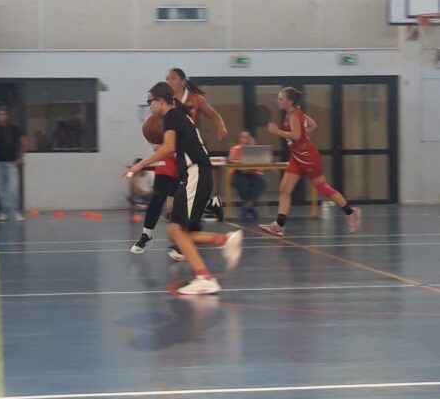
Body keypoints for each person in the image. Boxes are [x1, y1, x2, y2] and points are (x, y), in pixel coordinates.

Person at [126, 82, 243, 295]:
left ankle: (205, 277)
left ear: (160, 100)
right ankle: (224, 241)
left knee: (177, 231)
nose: (149, 106)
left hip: (195, 174)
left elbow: (168, 148)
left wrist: (140, 165)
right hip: (194, 175)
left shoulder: (172, 116)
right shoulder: (181, 115)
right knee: (176, 232)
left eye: (150, 102)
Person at [259, 87, 361, 238]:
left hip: (308, 157)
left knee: (323, 188)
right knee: (285, 189)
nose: (278, 101)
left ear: (290, 101)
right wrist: (303, 133)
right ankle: (279, 226)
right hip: (297, 157)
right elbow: (313, 125)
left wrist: (277, 132)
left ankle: (351, 212)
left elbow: (296, 135)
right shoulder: (295, 113)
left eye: (281, 99)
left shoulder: (294, 115)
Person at [166, 67, 227, 220]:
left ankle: (197, 209)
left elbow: (214, 115)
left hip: (193, 149)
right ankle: (208, 204)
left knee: (186, 184)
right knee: (177, 188)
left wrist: (221, 126)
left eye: (172, 78)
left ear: (183, 81)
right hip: (177, 149)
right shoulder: (167, 101)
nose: (169, 81)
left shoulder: (195, 100)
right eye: (167, 79)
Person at [130, 151, 178, 254]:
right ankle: (146, 236)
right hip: (166, 163)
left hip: (182, 165)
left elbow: (167, 147)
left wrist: (141, 164)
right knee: (157, 199)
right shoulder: (162, 154)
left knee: (181, 203)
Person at [0, 105, 27, 221]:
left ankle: (14, 212)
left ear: (8, 116)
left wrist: (20, 158)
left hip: (11, 162)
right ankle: (3, 211)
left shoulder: (15, 128)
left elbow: (24, 142)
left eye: (4, 114)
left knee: (13, 189)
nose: (1, 116)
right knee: (0, 188)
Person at [228, 131, 267, 221]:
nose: (244, 140)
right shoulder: (235, 149)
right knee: (243, 183)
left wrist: (253, 147)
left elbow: (261, 164)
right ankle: (249, 207)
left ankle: (246, 207)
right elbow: (232, 161)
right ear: (239, 139)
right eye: (242, 137)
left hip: (252, 174)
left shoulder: (255, 149)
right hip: (239, 173)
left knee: (261, 184)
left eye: (246, 137)